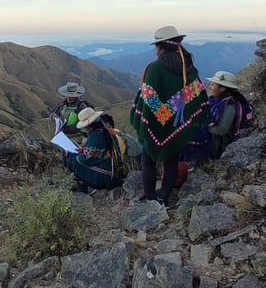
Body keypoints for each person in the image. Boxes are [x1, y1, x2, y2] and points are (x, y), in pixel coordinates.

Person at [129, 26, 210, 207]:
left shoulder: (154, 69)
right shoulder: (189, 69)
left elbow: (147, 99)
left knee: (148, 160)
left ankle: (150, 197)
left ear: (161, 47)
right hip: (177, 125)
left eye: (156, 45)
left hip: (155, 124)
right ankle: (164, 197)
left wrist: (153, 119)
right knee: (171, 159)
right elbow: (197, 97)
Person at [66, 108, 124, 192]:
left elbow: (85, 160)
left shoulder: (95, 135)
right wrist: (83, 151)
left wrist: (70, 155)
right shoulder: (104, 130)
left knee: (72, 160)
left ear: (87, 126)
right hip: (114, 173)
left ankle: (82, 186)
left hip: (108, 177)